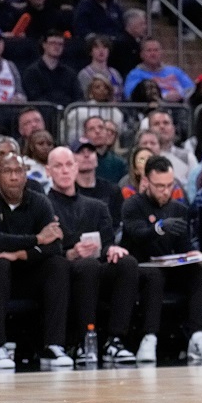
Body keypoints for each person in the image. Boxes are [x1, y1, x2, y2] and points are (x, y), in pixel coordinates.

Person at [0, 151, 73, 371]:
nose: (14, 177)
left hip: (28, 272)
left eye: (19, 171)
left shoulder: (39, 201)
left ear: (26, 176)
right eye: (8, 171)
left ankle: (53, 346)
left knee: (58, 264)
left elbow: (55, 245)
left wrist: (18, 254)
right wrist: (37, 239)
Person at [120, 156, 202, 362]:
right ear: (146, 181)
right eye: (159, 186)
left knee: (198, 272)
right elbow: (138, 234)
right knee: (154, 275)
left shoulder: (178, 209)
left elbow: (183, 244)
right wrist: (159, 227)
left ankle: (197, 335)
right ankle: (149, 338)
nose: (165, 191)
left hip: (169, 267)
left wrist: (192, 254)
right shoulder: (132, 205)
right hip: (139, 269)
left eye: (169, 185)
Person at [46, 147, 139, 364]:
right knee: (87, 266)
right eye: (58, 166)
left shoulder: (96, 206)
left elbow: (106, 243)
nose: (65, 170)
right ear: (48, 171)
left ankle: (115, 341)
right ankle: (83, 342)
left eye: (69, 165)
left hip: (95, 268)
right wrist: (70, 253)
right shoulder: (43, 205)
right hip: (61, 271)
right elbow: (41, 248)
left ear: (76, 167)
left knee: (126, 262)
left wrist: (111, 249)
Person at [71, 140, 124, 229]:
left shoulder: (112, 191)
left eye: (90, 151)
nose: (86, 155)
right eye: (80, 152)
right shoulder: (68, 192)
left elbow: (118, 224)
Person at [21, 31, 81, 107]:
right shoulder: (32, 72)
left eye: (60, 44)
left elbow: (78, 97)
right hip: (41, 111)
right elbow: (35, 99)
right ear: (44, 45)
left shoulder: (70, 73)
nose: (57, 47)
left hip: (67, 111)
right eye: (53, 43)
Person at [122, 38, 193, 102]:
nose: (153, 54)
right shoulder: (134, 74)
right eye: (149, 50)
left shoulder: (175, 71)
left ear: (161, 53)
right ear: (141, 54)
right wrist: (164, 97)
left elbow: (191, 89)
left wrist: (181, 95)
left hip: (179, 106)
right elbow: (130, 96)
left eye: (156, 50)